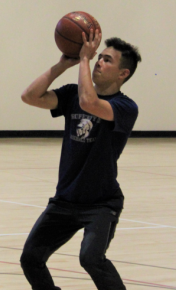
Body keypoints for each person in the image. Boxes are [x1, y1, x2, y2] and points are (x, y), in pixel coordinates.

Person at [19, 30, 141, 290]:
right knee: (30, 258)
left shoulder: (125, 107)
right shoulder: (71, 94)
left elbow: (90, 103)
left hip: (101, 203)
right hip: (65, 199)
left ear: (123, 74)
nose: (99, 61)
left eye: (107, 60)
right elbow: (29, 96)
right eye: (99, 58)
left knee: (91, 258)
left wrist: (83, 59)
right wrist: (62, 65)